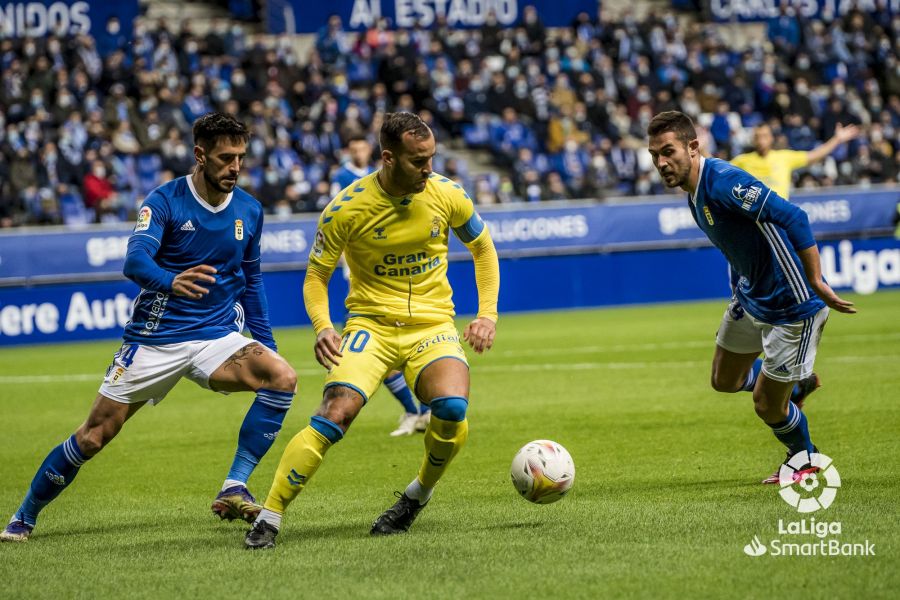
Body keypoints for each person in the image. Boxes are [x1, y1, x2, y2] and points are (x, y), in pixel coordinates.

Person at [1, 113, 297, 542]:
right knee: (94, 436)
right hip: (155, 339)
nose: (235, 167)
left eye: (241, 158)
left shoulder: (250, 209)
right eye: (225, 158)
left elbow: (251, 280)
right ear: (200, 155)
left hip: (217, 337)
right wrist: (170, 281)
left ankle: (234, 484)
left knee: (282, 376)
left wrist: (267, 344)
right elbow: (135, 261)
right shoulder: (164, 201)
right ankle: (24, 516)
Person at [244, 112, 500, 549]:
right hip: (371, 327)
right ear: (388, 158)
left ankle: (417, 496)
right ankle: (269, 517)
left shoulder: (447, 194)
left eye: (432, 157)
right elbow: (315, 277)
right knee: (334, 414)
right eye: (419, 161)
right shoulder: (345, 208)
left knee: (453, 408)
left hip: (432, 326)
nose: (429, 169)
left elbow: (482, 248)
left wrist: (486, 314)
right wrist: (324, 327)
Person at [646, 111, 856, 485]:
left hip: (793, 304)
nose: (662, 163)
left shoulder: (725, 181)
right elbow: (736, 245)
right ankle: (795, 385)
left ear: (693, 147)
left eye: (668, 151)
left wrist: (816, 279)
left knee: (766, 405)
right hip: (752, 296)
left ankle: (804, 458)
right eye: (655, 155)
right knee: (724, 379)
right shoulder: (693, 192)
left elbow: (794, 217)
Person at [333, 135, 431, 436]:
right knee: (383, 342)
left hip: (390, 269)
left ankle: (418, 410)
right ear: (350, 152)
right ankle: (417, 410)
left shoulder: (386, 174)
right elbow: (336, 214)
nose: (360, 151)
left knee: (396, 340)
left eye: (363, 147)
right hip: (360, 267)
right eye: (355, 148)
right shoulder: (343, 178)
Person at [731, 122, 860, 200]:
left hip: (778, 216)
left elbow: (814, 155)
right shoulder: (743, 160)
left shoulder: (784, 157)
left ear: (771, 138)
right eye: (757, 137)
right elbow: (716, 169)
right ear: (753, 140)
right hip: (753, 217)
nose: (761, 140)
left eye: (764, 136)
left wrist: (837, 139)